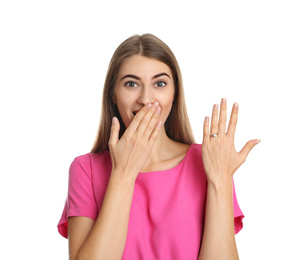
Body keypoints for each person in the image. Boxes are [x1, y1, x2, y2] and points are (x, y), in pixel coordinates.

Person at [57, 33, 260, 260]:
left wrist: (220, 180)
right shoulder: (86, 170)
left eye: (160, 84)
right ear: (113, 94)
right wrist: (123, 172)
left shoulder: (208, 162)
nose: (145, 99)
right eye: (131, 84)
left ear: (174, 93)